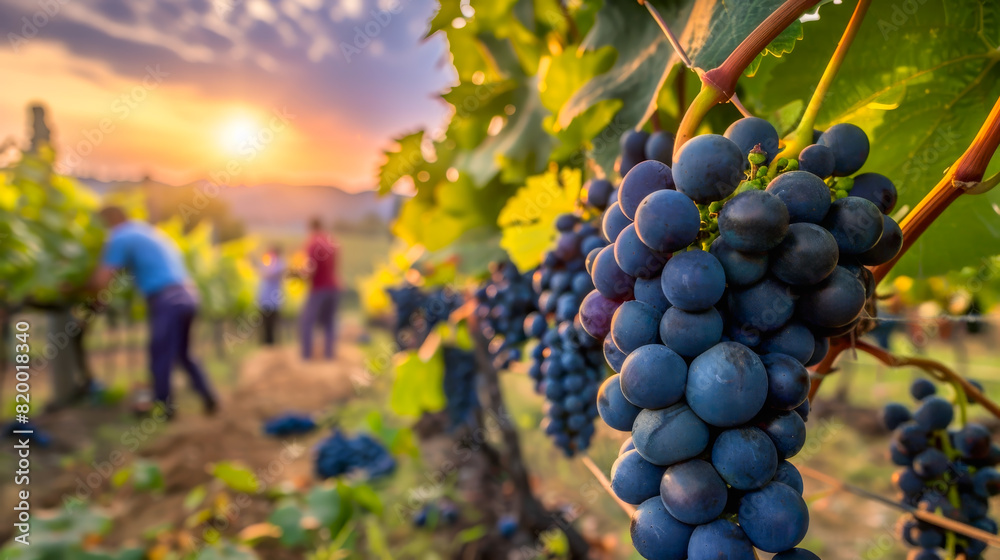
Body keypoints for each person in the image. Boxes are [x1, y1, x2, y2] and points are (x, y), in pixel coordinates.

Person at [89, 206, 217, 416]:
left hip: (167, 300)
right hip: (189, 295)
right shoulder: (148, 232)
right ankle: (207, 396)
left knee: (160, 353)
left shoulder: (120, 235)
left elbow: (102, 280)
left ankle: (163, 408)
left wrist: (79, 291)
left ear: (111, 221)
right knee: (182, 353)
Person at [300, 217, 340, 360]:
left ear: (311, 228)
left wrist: (299, 274)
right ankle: (329, 355)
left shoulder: (313, 243)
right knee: (329, 322)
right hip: (334, 287)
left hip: (319, 288)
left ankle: (306, 355)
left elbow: (311, 269)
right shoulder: (331, 242)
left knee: (307, 321)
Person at [257, 245, 286, 345]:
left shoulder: (279, 263)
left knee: (273, 324)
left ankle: (272, 346)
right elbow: (262, 273)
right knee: (264, 324)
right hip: (264, 298)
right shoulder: (267, 262)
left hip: (274, 299)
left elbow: (270, 274)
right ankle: (265, 345)